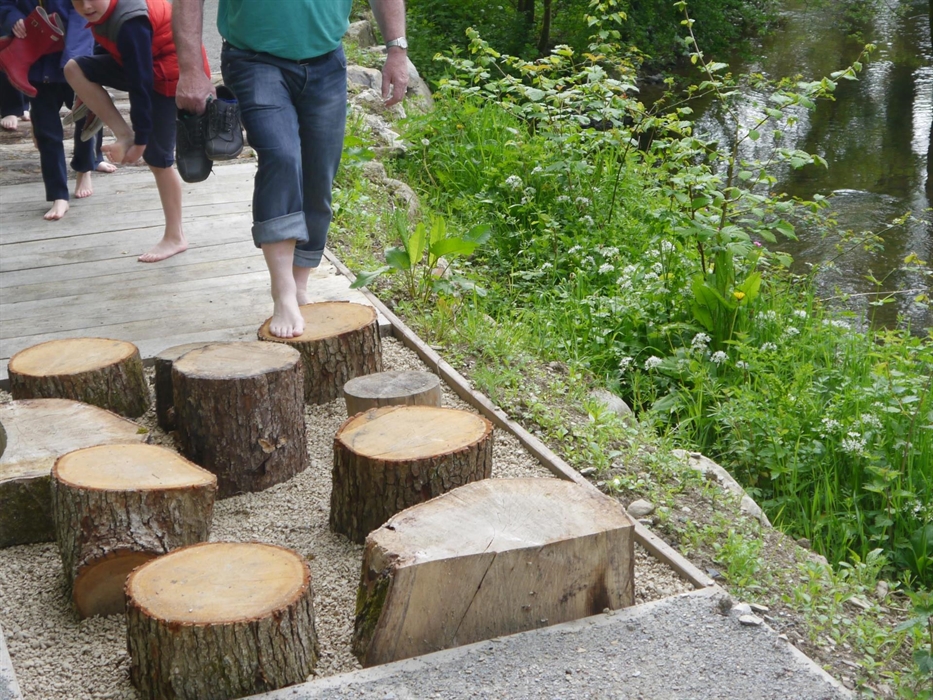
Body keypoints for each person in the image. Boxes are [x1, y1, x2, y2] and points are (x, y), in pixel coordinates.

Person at [173, 0, 409, 338]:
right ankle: (282, 291)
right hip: (253, 59)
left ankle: (299, 286)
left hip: (326, 61)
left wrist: (396, 50)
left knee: (319, 174)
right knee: (281, 158)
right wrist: (191, 68)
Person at [64, 0, 210, 262]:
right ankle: (122, 132)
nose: (85, 6)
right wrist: (89, 89)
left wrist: (142, 140)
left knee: (158, 159)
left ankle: (175, 236)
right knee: (74, 69)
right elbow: (108, 48)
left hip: (170, 75)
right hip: (146, 62)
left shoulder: (130, 20)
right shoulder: (104, 11)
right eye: (77, 0)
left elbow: (140, 83)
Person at [0, 0, 112, 220]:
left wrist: (73, 63)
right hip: (36, 61)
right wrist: (13, 18)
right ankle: (58, 195)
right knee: (47, 133)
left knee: (87, 119)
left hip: (76, 59)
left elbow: (84, 14)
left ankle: (84, 169)